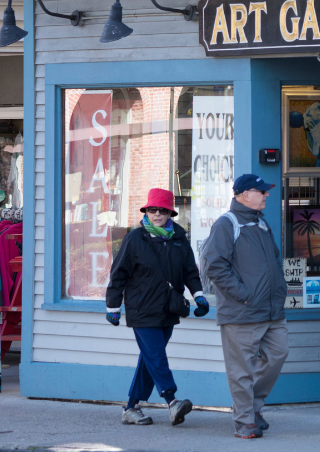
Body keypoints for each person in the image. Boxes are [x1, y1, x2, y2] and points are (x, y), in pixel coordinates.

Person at [105, 188, 209, 426]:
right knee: (157, 356)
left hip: (169, 310)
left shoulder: (179, 240)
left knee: (149, 359)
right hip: (141, 310)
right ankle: (172, 402)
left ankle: (131, 408)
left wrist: (199, 296)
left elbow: (190, 272)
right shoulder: (134, 239)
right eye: (153, 210)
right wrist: (113, 307)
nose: (157, 214)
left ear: (170, 213)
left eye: (163, 210)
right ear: (147, 211)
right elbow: (118, 275)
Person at [202, 173, 289, 439]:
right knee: (241, 369)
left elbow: (274, 260)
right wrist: (243, 294)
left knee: (278, 354)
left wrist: (280, 289)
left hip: (272, 310)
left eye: (266, 191)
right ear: (244, 194)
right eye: (261, 191)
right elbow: (214, 264)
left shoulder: (261, 223)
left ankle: (251, 406)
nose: (267, 195)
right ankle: (244, 420)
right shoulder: (227, 224)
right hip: (242, 310)